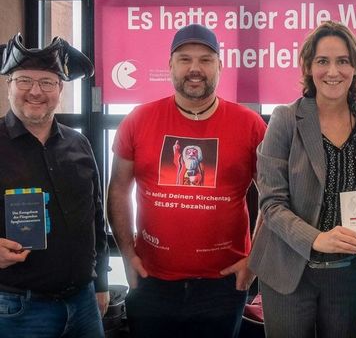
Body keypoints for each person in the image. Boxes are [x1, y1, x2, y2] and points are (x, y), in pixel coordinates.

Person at [107, 24, 266, 338]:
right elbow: (118, 189)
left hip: (223, 284)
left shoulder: (250, 125)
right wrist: (128, 255)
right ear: (169, 66)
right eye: (184, 59)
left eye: (206, 60)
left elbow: (274, 198)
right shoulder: (138, 120)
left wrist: (254, 261)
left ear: (220, 66)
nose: (195, 68)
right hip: (151, 280)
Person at [248, 21, 356, 338]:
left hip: (348, 274)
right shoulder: (286, 118)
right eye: (322, 61)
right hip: (288, 271)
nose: (333, 71)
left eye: (342, 61)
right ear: (309, 67)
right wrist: (315, 238)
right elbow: (271, 203)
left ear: (355, 67)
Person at [0, 33, 108, 337]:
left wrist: (100, 284)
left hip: (84, 303)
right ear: (9, 85)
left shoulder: (79, 143)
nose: (35, 91)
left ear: (59, 88)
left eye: (47, 82)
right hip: (18, 310)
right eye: (24, 81)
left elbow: (95, 219)